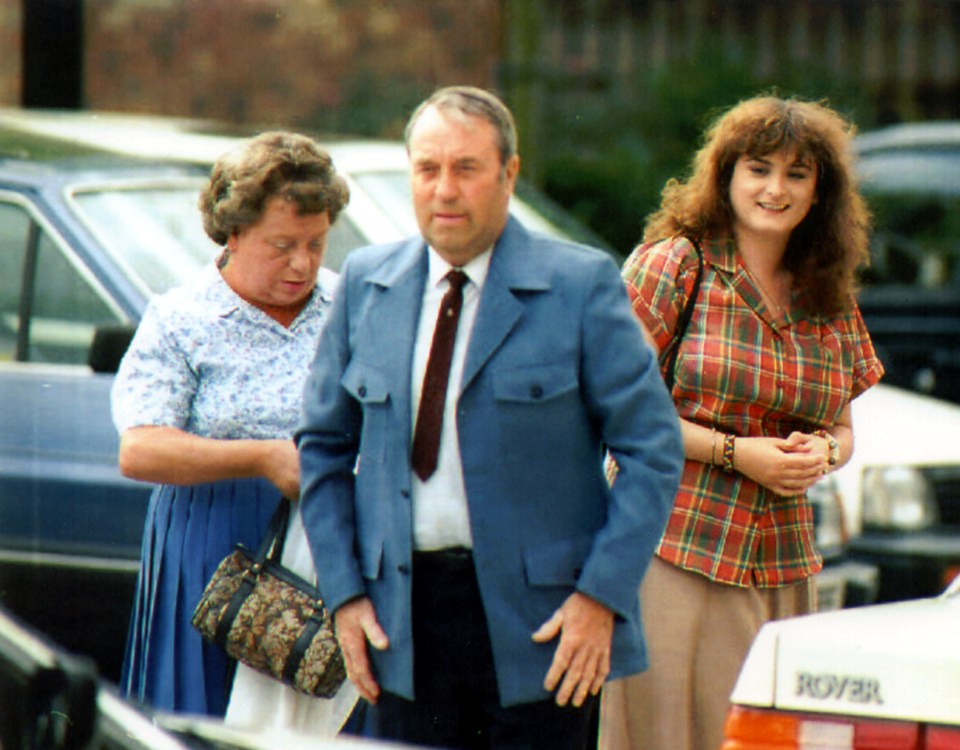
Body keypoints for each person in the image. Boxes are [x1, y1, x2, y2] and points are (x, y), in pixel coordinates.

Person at [294, 85, 684, 750]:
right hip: (401, 626)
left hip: (545, 633)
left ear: (509, 174)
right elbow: (322, 447)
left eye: (466, 168)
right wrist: (346, 596)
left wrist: (601, 599)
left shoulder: (581, 286)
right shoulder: (366, 282)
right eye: (427, 169)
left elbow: (653, 450)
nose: (444, 189)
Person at [598, 95, 885, 750]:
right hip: (672, 544)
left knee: (765, 736)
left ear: (821, 192)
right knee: (665, 736)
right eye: (758, 169)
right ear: (726, 176)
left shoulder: (827, 290)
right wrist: (738, 454)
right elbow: (617, 411)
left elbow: (842, 429)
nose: (775, 189)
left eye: (796, 173)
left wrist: (823, 452)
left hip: (782, 559)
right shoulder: (674, 264)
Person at [112, 130, 357, 730]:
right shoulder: (181, 317)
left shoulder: (354, 306)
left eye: (316, 244)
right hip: (213, 541)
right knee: (208, 722)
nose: (302, 263)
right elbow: (140, 448)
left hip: (330, 535)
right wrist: (262, 458)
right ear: (234, 233)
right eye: (282, 245)